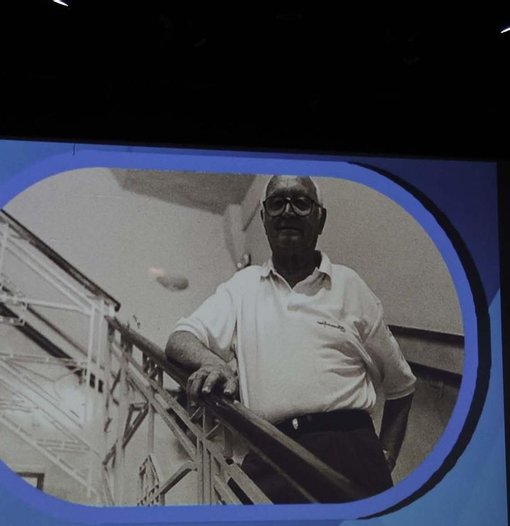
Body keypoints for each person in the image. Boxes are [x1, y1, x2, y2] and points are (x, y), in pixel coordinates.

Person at [166, 174, 418, 504]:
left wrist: (383, 459)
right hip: (268, 452)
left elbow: (401, 385)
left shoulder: (349, 285)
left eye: (300, 202)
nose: (287, 211)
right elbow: (179, 339)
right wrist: (216, 363)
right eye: (276, 203)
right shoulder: (243, 286)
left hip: (351, 453)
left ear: (320, 218)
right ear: (264, 218)